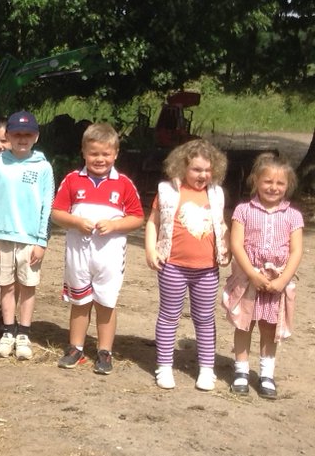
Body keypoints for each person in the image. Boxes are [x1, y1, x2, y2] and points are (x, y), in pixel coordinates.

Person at [50, 123, 144, 375]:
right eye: (94, 154)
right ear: (83, 152)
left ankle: (104, 351)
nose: (99, 159)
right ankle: (76, 348)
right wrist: (76, 222)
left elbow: (137, 218)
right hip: (79, 252)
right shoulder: (72, 180)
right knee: (80, 301)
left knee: (106, 302)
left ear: (115, 153)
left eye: (105, 154)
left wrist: (115, 225)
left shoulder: (123, 184)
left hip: (109, 254)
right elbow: (56, 213)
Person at [144, 139, 229, 391]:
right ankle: (164, 365)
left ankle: (206, 368)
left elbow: (221, 225)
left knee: (204, 318)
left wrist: (226, 248)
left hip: (207, 269)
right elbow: (153, 223)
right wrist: (150, 249)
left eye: (207, 170)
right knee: (169, 315)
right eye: (196, 169)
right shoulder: (168, 191)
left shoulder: (215, 194)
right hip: (173, 266)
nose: (202, 175)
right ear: (182, 167)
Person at [222, 154, 304, 399]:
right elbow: (236, 244)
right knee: (244, 324)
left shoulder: (293, 216)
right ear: (255, 181)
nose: (273, 187)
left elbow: (296, 251)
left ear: (287, 186)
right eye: (268, 181)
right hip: (249, 279)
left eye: (280, 184)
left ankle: (267, 373)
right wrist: (251, 274)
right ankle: (241, 370)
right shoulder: (243, 210)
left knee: (270, 328)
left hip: (276, 282)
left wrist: (281, 281)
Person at [0, 110, 54, 360]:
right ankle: (8, 332)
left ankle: (24, 333)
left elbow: (47, 206)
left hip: (30, 238)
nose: (22, 138)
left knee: (28, 286)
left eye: (28, 134)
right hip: (2, 236)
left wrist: (41, 241)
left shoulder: (43, 167)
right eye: (17, 134)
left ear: (36, 136)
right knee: (6, 285)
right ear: (8, 135)